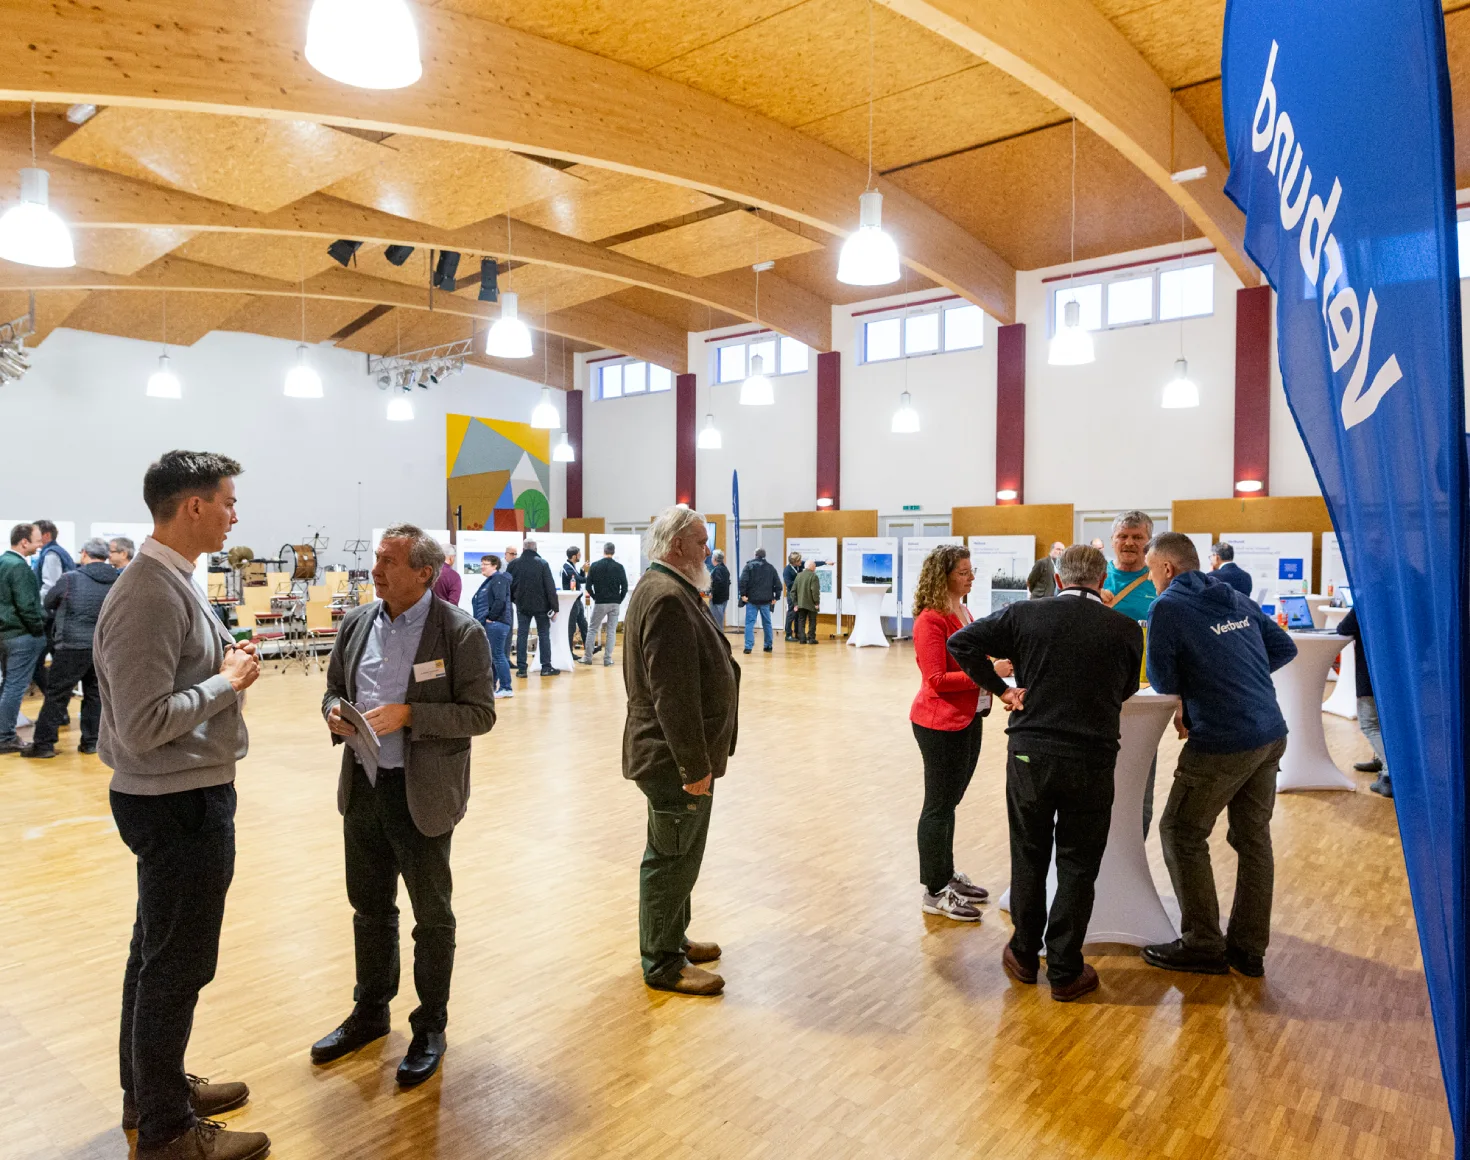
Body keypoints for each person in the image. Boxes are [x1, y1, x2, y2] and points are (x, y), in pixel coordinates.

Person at [93, 451, 268, 1160]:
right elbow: (142, 724)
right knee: (176, 965)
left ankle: (152, 1093)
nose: (235, 516)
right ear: (193, 506)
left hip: (180, 796)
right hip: (176, 803)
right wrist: (227, 683)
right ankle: (167, 1130)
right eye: (228, 502)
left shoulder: (171, 580)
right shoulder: (149, 592)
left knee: (156, 953)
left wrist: (224, 671)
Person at [313, 524, 495, 1086]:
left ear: (424, 573)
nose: (376, 570)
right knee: (369, 908)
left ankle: (430, 1026)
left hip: (422, 795)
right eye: (377, 558)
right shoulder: (356, 623)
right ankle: (370, 1012)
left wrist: (411, 715)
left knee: (431, 917)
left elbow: (480, 714)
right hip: (364, 787)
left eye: (388, 561)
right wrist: (333, 712)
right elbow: (333, 687)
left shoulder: (459, 633)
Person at [948, 545, 1143, 1001]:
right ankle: (1065, 970)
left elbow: (962, 644)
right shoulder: (1124, 628)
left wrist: (1002, 690)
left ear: (1057, 579)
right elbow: (1127, 687)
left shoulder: (1024, 614)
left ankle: (1022, 952)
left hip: (1030, 754)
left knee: (1029, 853)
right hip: (1091, 758)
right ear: (1102, 581)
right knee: (1078, 863)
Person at [1139, 533, 1297, 979]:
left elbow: (1163, 681)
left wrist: (1214, 684)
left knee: (1180, 831)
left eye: (1151, 571)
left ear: (1167, 568)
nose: (1150, 580)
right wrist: (1239, 676)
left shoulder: (1167, 607)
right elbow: (1283, 647)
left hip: (1223, 740)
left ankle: (1203, 944)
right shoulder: (1235, 597)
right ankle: (1248, 950)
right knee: (1253, 840)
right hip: (1270, 732)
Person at [622, 505, 739, 995]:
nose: (707, 551)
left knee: (681, 855)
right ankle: (663, 962)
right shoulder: (667, 597)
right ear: (676, 546)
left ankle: (674, 937)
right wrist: (693, 765)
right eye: (700, 542)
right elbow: (673, 695)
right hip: (673, 759)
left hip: (675, 755)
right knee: (670, 858)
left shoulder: (669, 588)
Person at [908, 545, 993, 922]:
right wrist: (987, 673)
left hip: (968, 717)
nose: (971, 577)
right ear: (942, 576)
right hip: (938, 723)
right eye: (963, 572)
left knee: (949, 803)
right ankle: (934, 890)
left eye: (971, 571)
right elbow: (937, 680)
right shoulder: (931, 620)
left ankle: (946, 873)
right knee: (938, 806)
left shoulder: (963, 610)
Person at [21, 537, 117, 758]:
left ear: (84, 554)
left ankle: (44, 745)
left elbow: (48, 602)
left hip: (71, 645)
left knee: (57, 695)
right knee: (95, 695)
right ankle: (91, 742)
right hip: (102, 647)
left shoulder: (70, 579)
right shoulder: (117, 580)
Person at [1100, 510, 1161, 835]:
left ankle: (1134, 846)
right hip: (1097, 693)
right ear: (1112, 540)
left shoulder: (1158, 581)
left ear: (1148, 542)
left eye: (1137, 537)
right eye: (1123, 536)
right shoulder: (1096, 578)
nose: (1129, 543)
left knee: (1139, 780)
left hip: (1143, 695)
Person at [0, 523, 44, 754]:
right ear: (24, 542)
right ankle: (5, 736)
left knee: (8, 685)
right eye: (38, 540)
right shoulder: (18, 567)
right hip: (21, 635)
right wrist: (39, 629)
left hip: (6, 634)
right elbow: (27, 605)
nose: (40, 545)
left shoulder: (3, 562)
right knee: (15, 687)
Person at [1336, 607, 1390, 797]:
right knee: (1387, 722)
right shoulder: (1406, 595)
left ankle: (1390, 774)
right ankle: (1381, 760)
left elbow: (1344, 628)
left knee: (1370, 724)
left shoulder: (1366, 598)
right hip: (1400, 675)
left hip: (1371, 673)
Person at [507, 538, 559, 677]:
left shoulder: (514, 564)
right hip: (542, 606)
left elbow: (508, 585)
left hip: (522, 605)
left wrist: (514, 600)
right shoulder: (542, 563)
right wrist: (554, 607)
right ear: (536, 549)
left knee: (522, 634)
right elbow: (550, 587)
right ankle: (546, 667)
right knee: (544, 635)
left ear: (523, 549)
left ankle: (522, 669)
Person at [473, 554, 514, 699]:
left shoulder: (498, 579)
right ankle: (492, 687)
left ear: (495, 566)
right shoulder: (492, 580)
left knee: (498, 655)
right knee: (494, 656)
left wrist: (491, 617)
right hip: (493, 623)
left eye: (485, 564)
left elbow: (500, 600)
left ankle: (506, 687)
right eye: (481, 564)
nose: (482, 567)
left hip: (496, 623)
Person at [583, 541, 628, 666]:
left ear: (604, 551)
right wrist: (619, 600)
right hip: (615, 602)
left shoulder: (595, 566)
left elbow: (588, 586)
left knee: (592, 629)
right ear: (613, 552)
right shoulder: (619, 567)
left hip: (600, 602)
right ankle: (607, 659)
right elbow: (624, 587)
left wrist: (595, 597)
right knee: (611, 631)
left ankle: (588, 657)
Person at [738, 546, 781, 654]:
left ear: (755, 555)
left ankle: (748, 647)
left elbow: (742, 581)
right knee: (767, 623)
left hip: (751, 600)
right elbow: (778, 584)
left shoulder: (749, 566)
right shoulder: (771, 568)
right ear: (764, 556)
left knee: (749, 623)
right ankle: (768, 646)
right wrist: (777, 597)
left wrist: (743, 595)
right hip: (766, 600)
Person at [31, 518, 76, 599]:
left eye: (34, 534)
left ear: (47, 535)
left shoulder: (51, 554)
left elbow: (50, 586)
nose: (31, 538)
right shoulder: (58, 551)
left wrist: (36, 601)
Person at [562, 546, 589, 658]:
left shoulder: (572, 567)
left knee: (583, 624)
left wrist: (582, 570)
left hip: (577, 600)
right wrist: (591, 577)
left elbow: (579, 579)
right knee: (571, 627)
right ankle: (569, 652)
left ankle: (589, 649)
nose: (580, 556)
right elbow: (579, 579)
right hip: (572, 602)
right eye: (579, 554)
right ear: (574, 556)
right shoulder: (567, 567)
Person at [791, 559, 821, 644]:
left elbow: (793, 591)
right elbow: (815, 591)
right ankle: (811, 638)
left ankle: (802, 639)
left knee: (801, 621)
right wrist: (816, 602)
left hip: (800, 604)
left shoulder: (799, 575)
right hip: (811, 604)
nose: (815, 567)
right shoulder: (814, 576)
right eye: (814, 566)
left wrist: (795, 603)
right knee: (812, 620)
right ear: (811, 567)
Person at [707, 549, 731, 630]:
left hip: (717, 599)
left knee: (716, 623)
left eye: (712, 557)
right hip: (724, 598)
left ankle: (718, 638)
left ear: (715, 558)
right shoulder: (725, 569)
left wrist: (712, 593)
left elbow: (718, 583)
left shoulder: (717, 569)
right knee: (719, 621)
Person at [782, 551, 803, 641]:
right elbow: (789, 584)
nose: (801, 561)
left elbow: (812, 564)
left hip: (799, 594)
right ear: (794, 562)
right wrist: (799, 580)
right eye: (799, 560)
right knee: (791, 613)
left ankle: (798, 633)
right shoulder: (787, 570)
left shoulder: (799, 566)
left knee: (798, 614)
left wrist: (825, 563)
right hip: (792, 594)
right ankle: (788, 634)